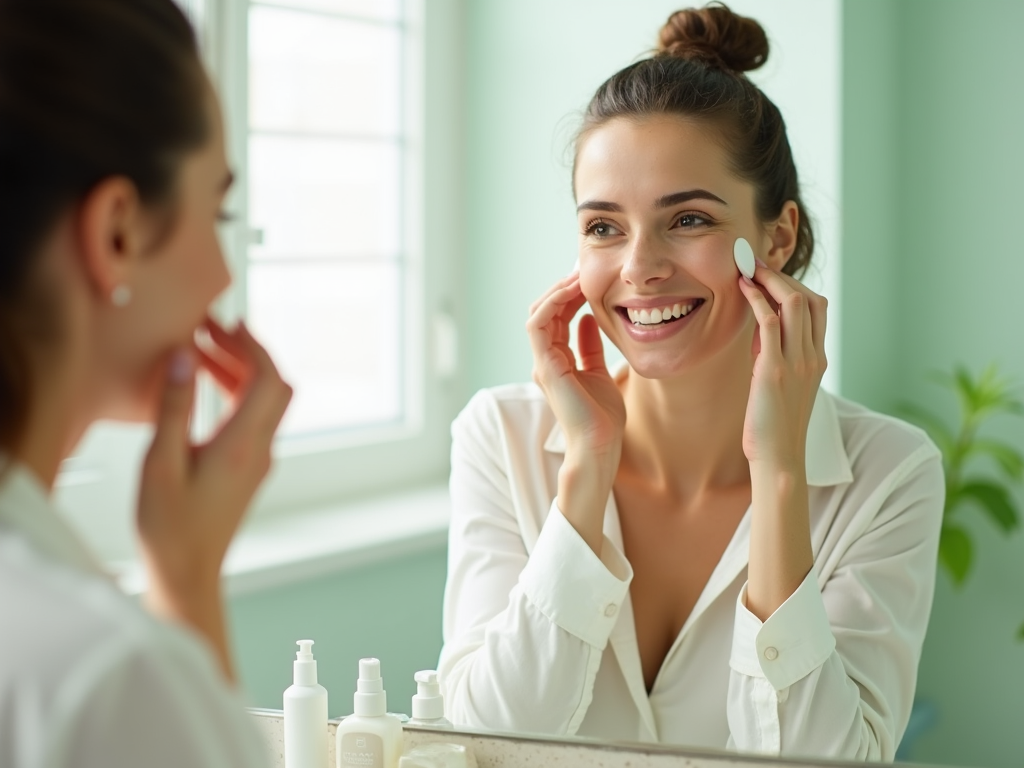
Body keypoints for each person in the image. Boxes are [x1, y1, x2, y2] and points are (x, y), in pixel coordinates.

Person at [438, 4, 944, 760]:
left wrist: (779, 476)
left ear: (778, 235)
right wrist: (585, 469)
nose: (639, 267)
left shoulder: (889, 475)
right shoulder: (500, 437)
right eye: (604, 227)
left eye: (689, 220)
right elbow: (484, 743)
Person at [0, 0, 292, 764]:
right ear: (116, 234)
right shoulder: (108, 678)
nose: (224, 274)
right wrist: (188, 582)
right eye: (217, 211)